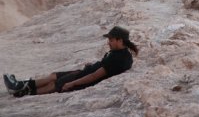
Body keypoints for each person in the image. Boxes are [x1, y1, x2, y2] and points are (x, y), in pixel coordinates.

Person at [3, 26, 138, 98]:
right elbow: (101, 67)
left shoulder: (119, 58)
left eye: (111, 40)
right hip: (84, 73)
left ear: (120, 40)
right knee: (54, 75)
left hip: (84, 79)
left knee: (54, 85)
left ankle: (22, 92)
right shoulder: (122, 53)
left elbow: (95, 76)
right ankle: (19, 85)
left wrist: (72, 83)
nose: (108, 42)